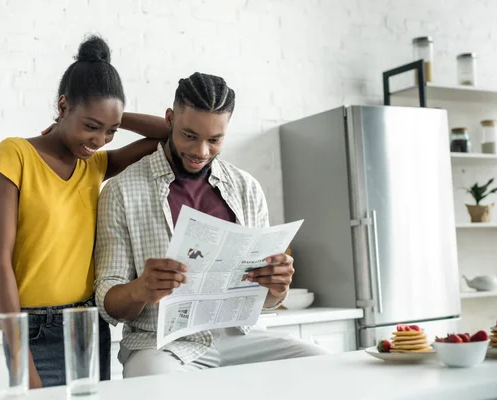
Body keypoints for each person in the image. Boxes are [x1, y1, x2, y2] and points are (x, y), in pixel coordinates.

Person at [94, 72, 328, 377]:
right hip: (162, 346)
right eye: (189, 135)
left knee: (322, 364)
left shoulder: (246, 188)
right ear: (169, 120)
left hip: (242, 338)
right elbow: (107, 297)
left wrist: (277, 289)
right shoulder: (122, 191)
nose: (200, 152)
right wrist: (140, 290)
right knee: (152, 384)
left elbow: (265, 302)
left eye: (214, 140)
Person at [0, 35, 169, 388]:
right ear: (63, 105)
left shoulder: (95, 165)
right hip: (27, 330)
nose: (100, 140)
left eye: (110, 131)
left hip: (85, 326)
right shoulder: (15, 155)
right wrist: (21, 359)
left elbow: (169, 134)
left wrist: (110, 113)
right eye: (91, 125)